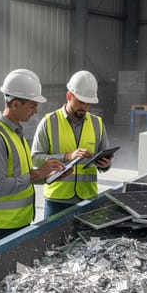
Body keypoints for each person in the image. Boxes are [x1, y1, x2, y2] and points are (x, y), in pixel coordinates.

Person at [0, 69, 66, 244]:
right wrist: (36, 173)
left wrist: (47, 175)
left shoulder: (15, 133)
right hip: (2, 228)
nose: (35, 111)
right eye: (32, 106)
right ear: (16, 104)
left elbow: (20, 175)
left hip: (19, 222)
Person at [31, 70, 113, 218]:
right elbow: (35, 158)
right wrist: (67, 156)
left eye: (88, 103)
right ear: (69, 96)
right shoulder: (49, 122)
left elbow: (104, 160)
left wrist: (105, 165)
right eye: (81, 102)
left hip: (88, 198)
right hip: (57, 200)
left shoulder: (97, 123)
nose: (85, 107)